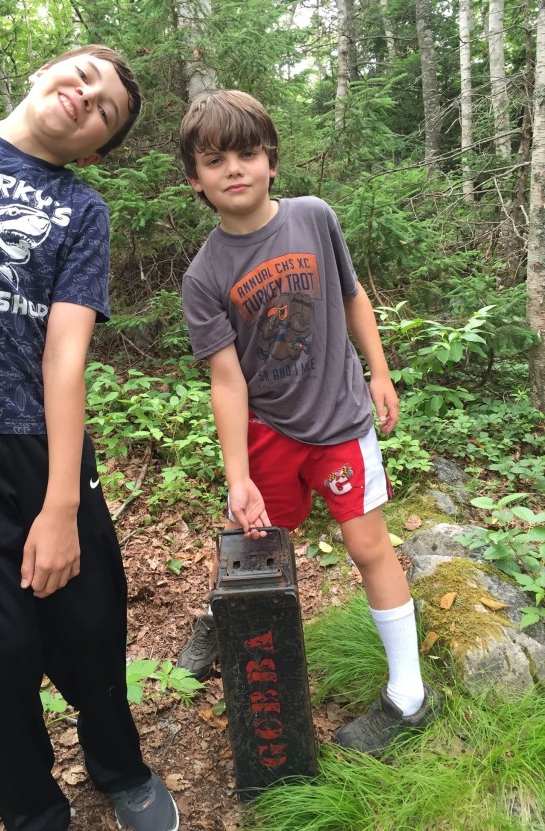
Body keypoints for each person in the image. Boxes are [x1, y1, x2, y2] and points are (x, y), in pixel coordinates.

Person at [0, 44, 178, 831]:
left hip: (45, 439)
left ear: (95, 148)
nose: (88, 98)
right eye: (84, 77)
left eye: (107, 110)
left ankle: (120, 765)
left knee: (91, 621)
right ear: (44, 69)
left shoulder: (82, 210)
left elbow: (66, 352)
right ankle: (34, 808)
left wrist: (59, 505)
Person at [177, 89, 440, 756]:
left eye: (247, 152)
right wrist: (239, 474)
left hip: (342, 422)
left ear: (271, 160)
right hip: (269, 431)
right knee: (254, 542)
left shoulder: (313, 217)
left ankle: (410, 695)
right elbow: (227, 379)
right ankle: (217, 616)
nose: (234, 168)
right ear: (195, 178)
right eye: (215, 159)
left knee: (369, 546)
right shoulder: (205, 276)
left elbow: (353, 298)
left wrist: (379, 371)